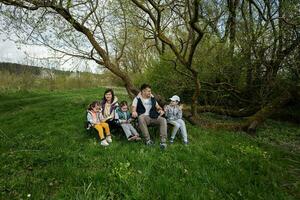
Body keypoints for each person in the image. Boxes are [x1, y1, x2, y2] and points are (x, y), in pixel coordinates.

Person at [132, 84, 168, 149]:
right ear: (143, 91)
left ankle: (163, 141)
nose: (150, 92)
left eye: (150, 91)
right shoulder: (137, 99)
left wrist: (160, 110)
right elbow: (133, 108)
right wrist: (134, 112)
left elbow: (158, 107)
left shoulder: (152, 98)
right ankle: (148, 140)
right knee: (141, 117)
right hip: (144, 118)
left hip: (153, 116)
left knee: (163, 120)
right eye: (148, 91)